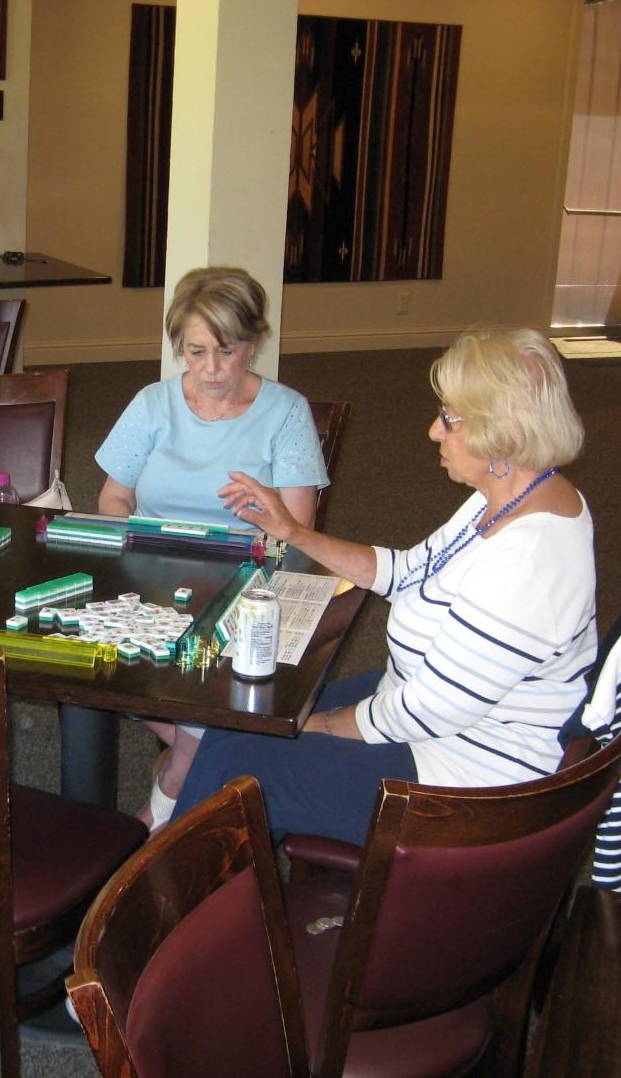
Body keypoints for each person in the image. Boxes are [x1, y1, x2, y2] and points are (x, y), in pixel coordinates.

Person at [171, 328, 596, 843]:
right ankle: (209, 865)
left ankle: (171, 884)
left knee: (238, 769)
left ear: (500, 434)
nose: (434, 431)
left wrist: (322, 726)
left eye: (450, 419)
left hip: (466, 784)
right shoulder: (510, 494)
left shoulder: (527, 562)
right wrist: (294, 531)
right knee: (243, 718)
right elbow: (406, 571)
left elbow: (429, 711)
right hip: (429, 715)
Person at [88, 265, 328, 826]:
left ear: (253, 343)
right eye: (196, 353)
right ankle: (210, 750)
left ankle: (163, 804)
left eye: (227, 351)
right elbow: (113, 499)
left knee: (212, 665)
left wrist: (265, 507)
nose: (211, 369)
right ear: (179, 348)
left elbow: (297, 530)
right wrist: (138, 554)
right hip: (149, 574)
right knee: (81, 652)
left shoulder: (286, 411)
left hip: (242, 583)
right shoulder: (152, 403)